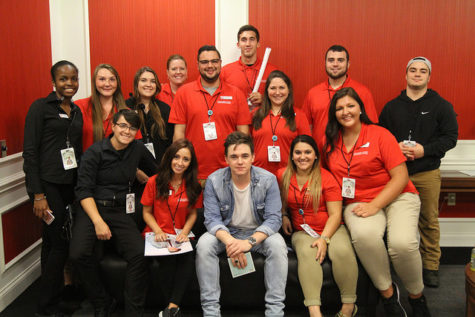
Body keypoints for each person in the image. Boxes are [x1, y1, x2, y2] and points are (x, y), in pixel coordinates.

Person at [324, 87, 431, 317]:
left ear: (360, 108)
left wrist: (375, 205)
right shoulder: (331, 141)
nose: (345, 111)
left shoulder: (379, 134)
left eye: (350, 106)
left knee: (401, 244)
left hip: (398, 194)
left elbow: (401, 177)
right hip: (357, 200)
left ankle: (416, 296)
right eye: (340, 108)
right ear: (334, 113)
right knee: (364, 237)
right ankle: (389, 295)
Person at [379, 57, 458, 288]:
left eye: (422, 71)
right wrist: (395, 148)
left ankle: (431, 266)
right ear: (406, 74)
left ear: (429, 76)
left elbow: (450, 138)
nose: (417, 74)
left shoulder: (441, 106)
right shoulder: (391, 107)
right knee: (388, 219)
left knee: (429, 220)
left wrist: (425, 151)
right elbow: (380, 138)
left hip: (427, 173)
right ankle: (388, 266)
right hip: (396, 173)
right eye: (413, 70)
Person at [70, 109, 157, 316]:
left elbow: (156, 172)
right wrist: (98, 222)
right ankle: (102, 301)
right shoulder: (95, 152)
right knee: (78, 254)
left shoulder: (137, 149)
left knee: (138, 253)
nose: (127, 131)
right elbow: (83, 190)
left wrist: (145, 177)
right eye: (123, 125)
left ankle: (133, 311)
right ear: (114, 126)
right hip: (93, 208)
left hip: (120, 210)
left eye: (132, 128)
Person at [196, 131, 288, 317]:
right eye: (234, 156)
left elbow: (273, 219)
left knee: (278, 244)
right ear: (226, 159)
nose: (240, 161)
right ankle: (211, 312)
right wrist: (232, 243)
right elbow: (212, 219)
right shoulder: (214, 181)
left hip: (257, 233)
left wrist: (248, 243)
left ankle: (275, 312)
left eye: (245, 156)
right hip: (227, 233)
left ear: (253, 157)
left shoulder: (267, 180)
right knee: (204, 244)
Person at [23, 60, 83, 316]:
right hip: (47, 187)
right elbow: (30, 153)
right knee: (60, 244)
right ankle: (45, 305)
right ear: (53, 82)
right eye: (63, 79)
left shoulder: (77, 111)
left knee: (50, 243)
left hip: (69, 184)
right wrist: (38, 194)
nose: (69, 84)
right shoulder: (40, 108)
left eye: (73, 79)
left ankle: (52, 295)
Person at [278, 135, 358, 317]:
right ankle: (315, 312)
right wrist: (284, 215)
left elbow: (336, 214)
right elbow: (282, 198)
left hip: (332, 228)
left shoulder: (326, 178)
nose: (302, 156)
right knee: (308, 254)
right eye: (298, 152)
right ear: (291, 155)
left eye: (308, 152)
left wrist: (324, 238)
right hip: (302, 231)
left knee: (341, 251)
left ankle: (348, 307)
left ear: (315, 156)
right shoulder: (283, 174)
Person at [169, 45, 251, 183]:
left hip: (228, 173)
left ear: (220, 63)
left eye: (214, 61)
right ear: (198, 65)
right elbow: (178, 135)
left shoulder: (236, 93)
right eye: (205, 62)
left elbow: (243, 136)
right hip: (193, 173)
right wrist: (180, 167)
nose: (210, 65)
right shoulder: (184, 93)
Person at [142, 139, 202, 317]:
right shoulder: (154, 182)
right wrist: (158, 231)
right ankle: (173, 310)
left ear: (190, 163)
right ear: (169, 157)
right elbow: (146, 212)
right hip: (157, 234)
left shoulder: (193, 185)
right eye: (176, 157)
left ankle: (171, 308)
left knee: (187, 259)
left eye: (185, 159)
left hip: (181, 236)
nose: (180, 163)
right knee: (167, 262)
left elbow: (192, 214)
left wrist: (184, 232)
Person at [302, 45, 378, 150]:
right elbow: (306, 128)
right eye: (331, 60)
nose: (335, 64)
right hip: (319, 155)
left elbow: (371, 127)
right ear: (325, 63)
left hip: (351, 155)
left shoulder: (362, 92)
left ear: (348, 64)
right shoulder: (313, 93)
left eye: (340, 60)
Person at [251, 70, 310, 176]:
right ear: (267, 91)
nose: (277, 92)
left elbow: (307, 148)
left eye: (282, 88)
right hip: (258, 175)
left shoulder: (299, 115)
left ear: (289, 91)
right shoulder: (255, 115)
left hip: (288, 176)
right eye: (273, 88)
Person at [76, 63, 140, 151]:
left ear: (117, 83)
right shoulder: (79, 107)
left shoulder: (127, 113)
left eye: (112, 79)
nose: (107, 84)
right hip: (88, 163)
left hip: (117, 163)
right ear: (94, 82)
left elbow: (135, 147)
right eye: (102, 79)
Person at [221, 24, 278, 109]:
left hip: (263, 120)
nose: (248, 44)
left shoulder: (272, 71)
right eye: (244, 40)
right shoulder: (225, 71)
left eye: (252, 39)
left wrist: (264, 100)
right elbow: (220, 100)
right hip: (236, 121)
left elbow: (280, 99)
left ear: (258, 43)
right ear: (238, 44)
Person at [126, 66, 174, 164]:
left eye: (152, 81)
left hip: (159, 167)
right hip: (132, 166)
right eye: (144, 80)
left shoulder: (164, 109)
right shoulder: (126, 107)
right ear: (136, 83)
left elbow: (170, 142)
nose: (149, 84)